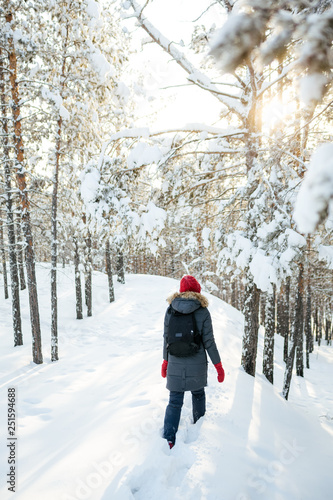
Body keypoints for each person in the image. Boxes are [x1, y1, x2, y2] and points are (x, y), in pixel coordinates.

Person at [161, 275, 225, 448]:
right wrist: (218, 366)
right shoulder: (203, 311)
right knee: (197, 394)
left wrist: (165, 362)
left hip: (174, 361)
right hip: (197, 363)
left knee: (174, 401)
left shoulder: (170, 309)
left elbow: (166, 339)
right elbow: (209, 342)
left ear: (182, 290)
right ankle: (199, 427)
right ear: (197, 291)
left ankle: (168, 439)